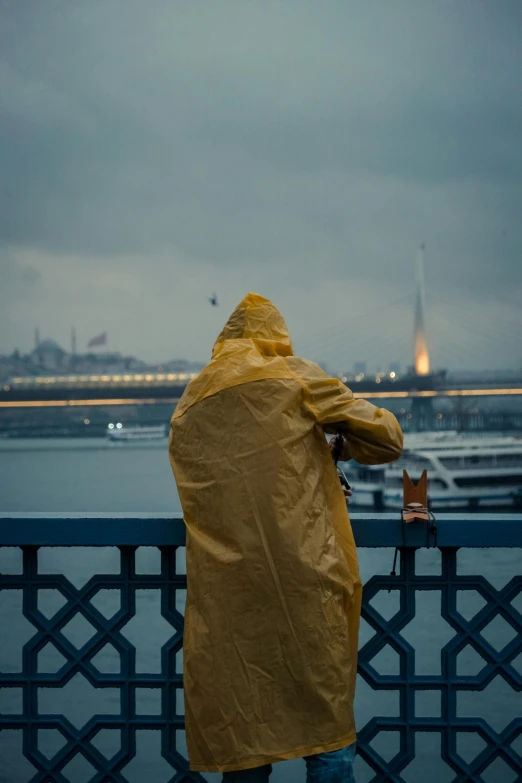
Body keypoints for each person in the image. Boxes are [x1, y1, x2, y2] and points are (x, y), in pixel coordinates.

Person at [168, 293, 403, 781]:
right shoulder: (292, 375)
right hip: (303, 586)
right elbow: (388, 440)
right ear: (275, 338)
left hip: (229, 602)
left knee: (248, 741)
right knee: (328, 733)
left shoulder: (189, 404)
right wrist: (335, 444)